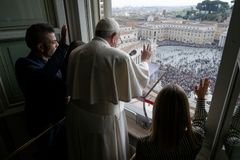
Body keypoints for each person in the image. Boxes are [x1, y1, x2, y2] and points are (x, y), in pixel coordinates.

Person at [66, 18, 152, 160]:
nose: (117, 43)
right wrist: (145, 60)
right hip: (102, 124)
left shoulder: (75, 52)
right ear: (113, 37)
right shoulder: (119, 57)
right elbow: (139, 80)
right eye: (117, 39)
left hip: (76, 117)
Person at [15, 23, 69, 159]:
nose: (56, 45)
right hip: (43, 126)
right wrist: (62, 44)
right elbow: (45, 78)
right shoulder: (24, 65)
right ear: (40, 47)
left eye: (57, 42)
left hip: (60, 120)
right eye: (54, 42)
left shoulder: (50, 61)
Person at [134, 78, 209, 160]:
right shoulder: (195, 138)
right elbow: (199, 121)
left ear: (157, 112)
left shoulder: (145, 145)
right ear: (185, 114)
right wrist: (201, 98)